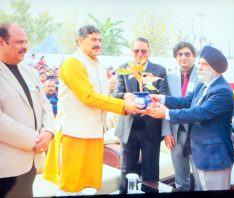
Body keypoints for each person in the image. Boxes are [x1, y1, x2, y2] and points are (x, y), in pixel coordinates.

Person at [43, 25, 143, 196]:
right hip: (73, 134)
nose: (98, 43)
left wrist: (125, 97)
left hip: (94, 133)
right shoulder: (73, 63)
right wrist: (123, 107)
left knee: (89, 184)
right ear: (80, 41)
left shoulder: (98, 65)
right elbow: (88, 96)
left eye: (99, 40)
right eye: (93, 40)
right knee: (70, 186)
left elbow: (103, 96)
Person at [145, 46, 234, 191]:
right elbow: (185, 102)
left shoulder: (222, 91)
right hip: (201, 152)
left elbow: (199, 113)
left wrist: (167, 114)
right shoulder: (203, 85)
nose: (199, 67)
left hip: (214, 156)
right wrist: (161, 99)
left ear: (216, 68)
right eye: (199, 63)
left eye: (204, 64)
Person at [0, 23, 54, 197]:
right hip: (6, 167)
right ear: (1, 42)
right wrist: (36, 140)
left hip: (32, 163)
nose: (25, 47)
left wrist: (49, 133)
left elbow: (45, 104)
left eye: (26, 42)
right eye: (18, 42)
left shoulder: (31, 72)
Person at [113, 37, 168, 193]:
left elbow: (165, 95)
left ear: (149, 52)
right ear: (132, 52)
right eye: (136, 50)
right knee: (127, 170)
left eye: (144, 50)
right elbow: (116, 93)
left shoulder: (159, 70)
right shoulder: (123, 69)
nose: (140, 54)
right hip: (128, 127)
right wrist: (126, 96)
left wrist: (152, 102)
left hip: (151, 127)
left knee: (151, 171)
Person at [162, 41, 199, 191]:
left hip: (197, 133)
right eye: (180, 54)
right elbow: (165, 105)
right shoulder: (169, 77)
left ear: (194, 56)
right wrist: (166, 133)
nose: (184, 57)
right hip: (176, 134)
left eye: (187, 54)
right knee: (180, 179)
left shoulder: (203, 74)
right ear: (176, 58)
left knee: (199, 178)